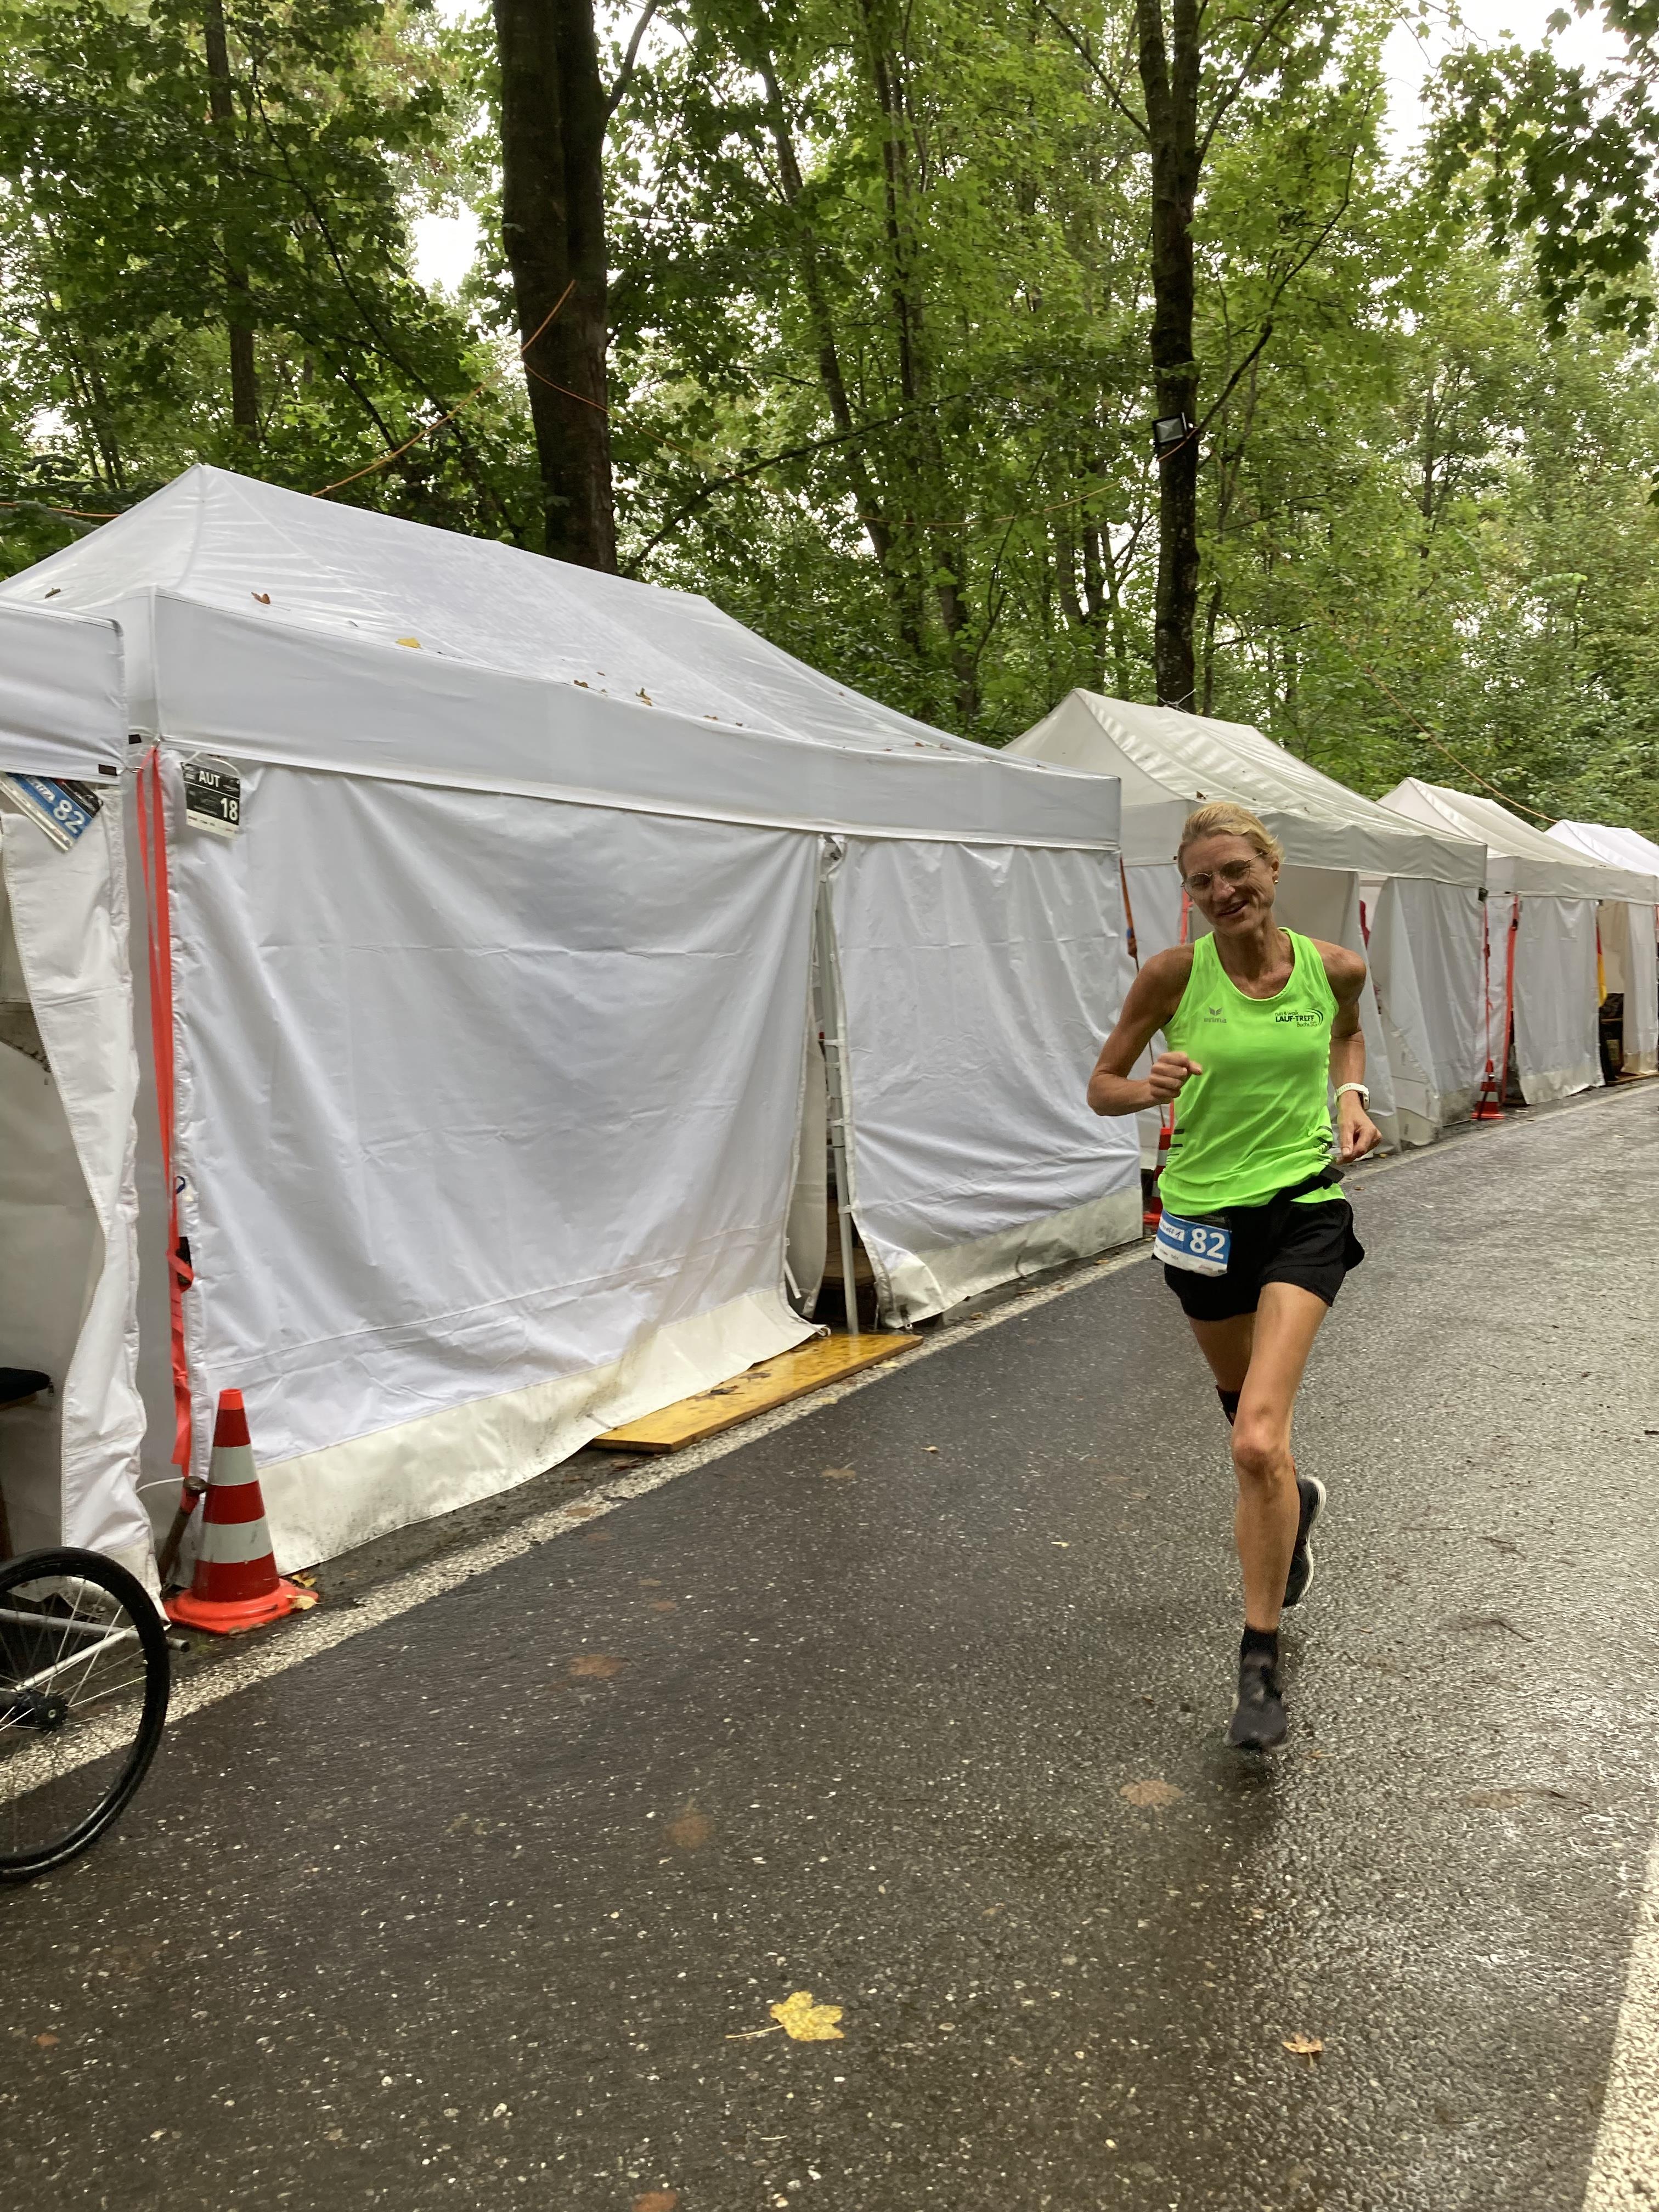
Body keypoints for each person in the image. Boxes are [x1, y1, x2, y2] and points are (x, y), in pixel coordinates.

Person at [1086, 802, 1381, 1750]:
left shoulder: (1335, 966)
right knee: (1240, 1412)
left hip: (1303, 1207)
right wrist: (1147, 1089)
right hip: (1203, 1217)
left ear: (1272, 869)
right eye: (1202, 882)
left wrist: (1350, 1100)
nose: (1222, 893)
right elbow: (1103, 1087)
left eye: (1235, 872)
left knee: (1256, 1440)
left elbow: (1345, 1035)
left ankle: (1259, 1661)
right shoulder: (1174, 975)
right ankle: (1297, 1505)